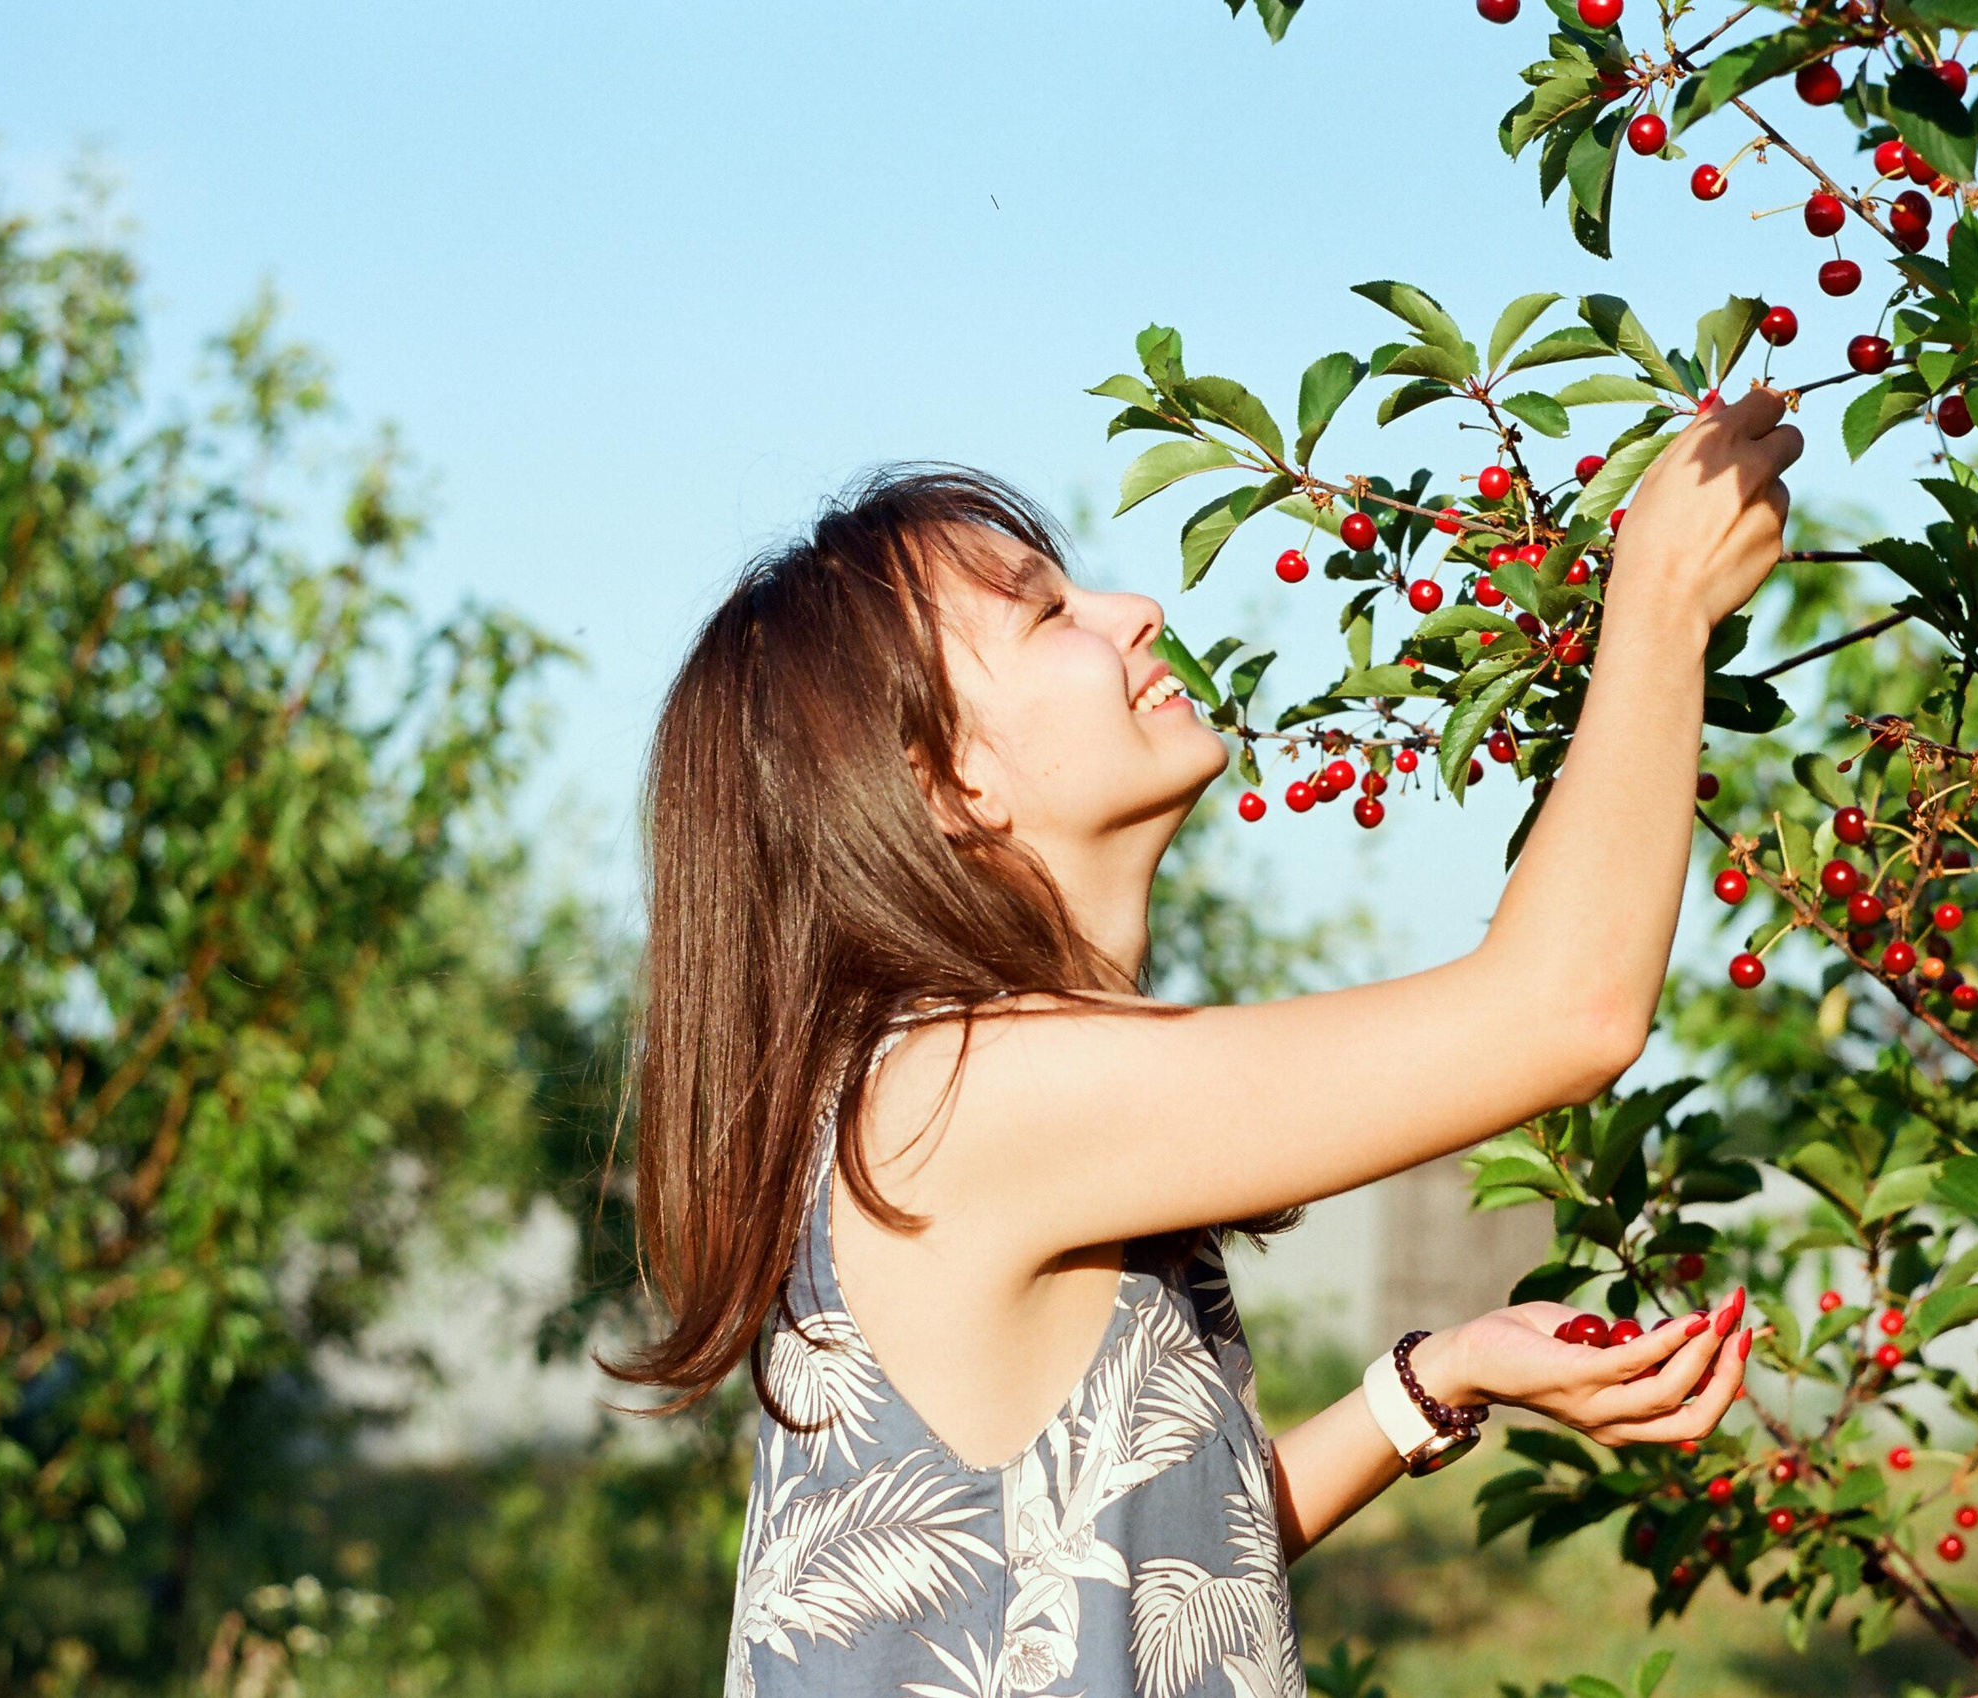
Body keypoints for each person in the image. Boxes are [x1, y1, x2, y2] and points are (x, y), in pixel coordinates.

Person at [601, 387, 1803, 1698]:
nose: (1135, 612)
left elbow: (1138, 1567)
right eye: (1047, 613)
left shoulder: (945, 1089)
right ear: (945, 780)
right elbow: (1562, 1012)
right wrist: (1660, 600)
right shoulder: (962, 1095)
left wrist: (1434, 1379)